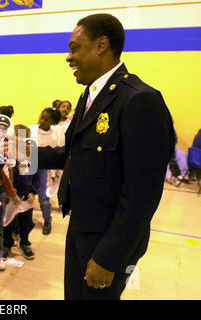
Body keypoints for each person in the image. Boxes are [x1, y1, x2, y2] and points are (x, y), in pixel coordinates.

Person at [29, 13, 175, 299]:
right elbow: (69, 154)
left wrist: (109, 256)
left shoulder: (139, 100)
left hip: (108, 242)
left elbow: (141, 195)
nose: (68, 58)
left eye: (74, 48)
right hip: (81, 228)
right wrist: (26, 154)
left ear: (101, 45)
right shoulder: (89, 96)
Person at [3, 125, 40, 260]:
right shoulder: (7, 155)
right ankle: (7, 244)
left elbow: (37, 177)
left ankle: (25, 243)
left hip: (26, 198)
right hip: (11, 197)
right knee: (8, 223)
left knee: (26, 223)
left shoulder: (31, 156)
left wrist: (33, 192)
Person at [29, 107, 61, 235]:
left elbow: (54, 155)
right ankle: (25, 222)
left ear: (53, 122)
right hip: (28, 166)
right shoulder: (31, 129)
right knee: (25, 195)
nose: (42, 120)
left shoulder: (54, 135)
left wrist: (54, 174)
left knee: (43, 196)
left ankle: (47, 220)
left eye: (46, 119)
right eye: (42, 117)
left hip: (42, 168)